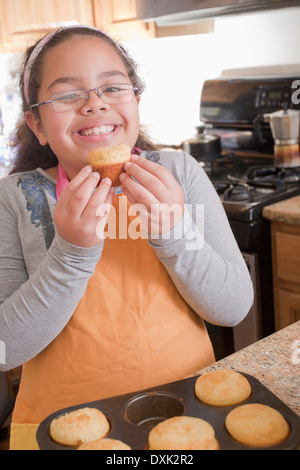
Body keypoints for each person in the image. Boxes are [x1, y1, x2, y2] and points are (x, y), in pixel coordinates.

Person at [0, 25, 253, 450]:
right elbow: (6, 348)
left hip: (188, 417)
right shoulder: (15, 199)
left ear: (135, 102)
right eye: (67, 94)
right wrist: (70, 254)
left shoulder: (180, 173)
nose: (94, 104)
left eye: (112, 87)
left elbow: (232, 309)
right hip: (61, 429)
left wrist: (174, 232)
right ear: (38, 124)